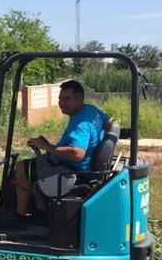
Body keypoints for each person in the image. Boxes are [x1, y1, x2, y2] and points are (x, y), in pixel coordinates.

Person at [14, 80, 108, 216]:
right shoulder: (91, 111)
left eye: (66, 99)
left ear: (79, 99)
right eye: (60, 99)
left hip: (72, 171)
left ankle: (20, 215)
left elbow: (77, 153)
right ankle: (41, 211)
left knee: (22, 167)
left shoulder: (81, 124)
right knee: (35, 167)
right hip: (79, 167)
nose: (61, 103)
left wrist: (47, 146)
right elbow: (109, 121)